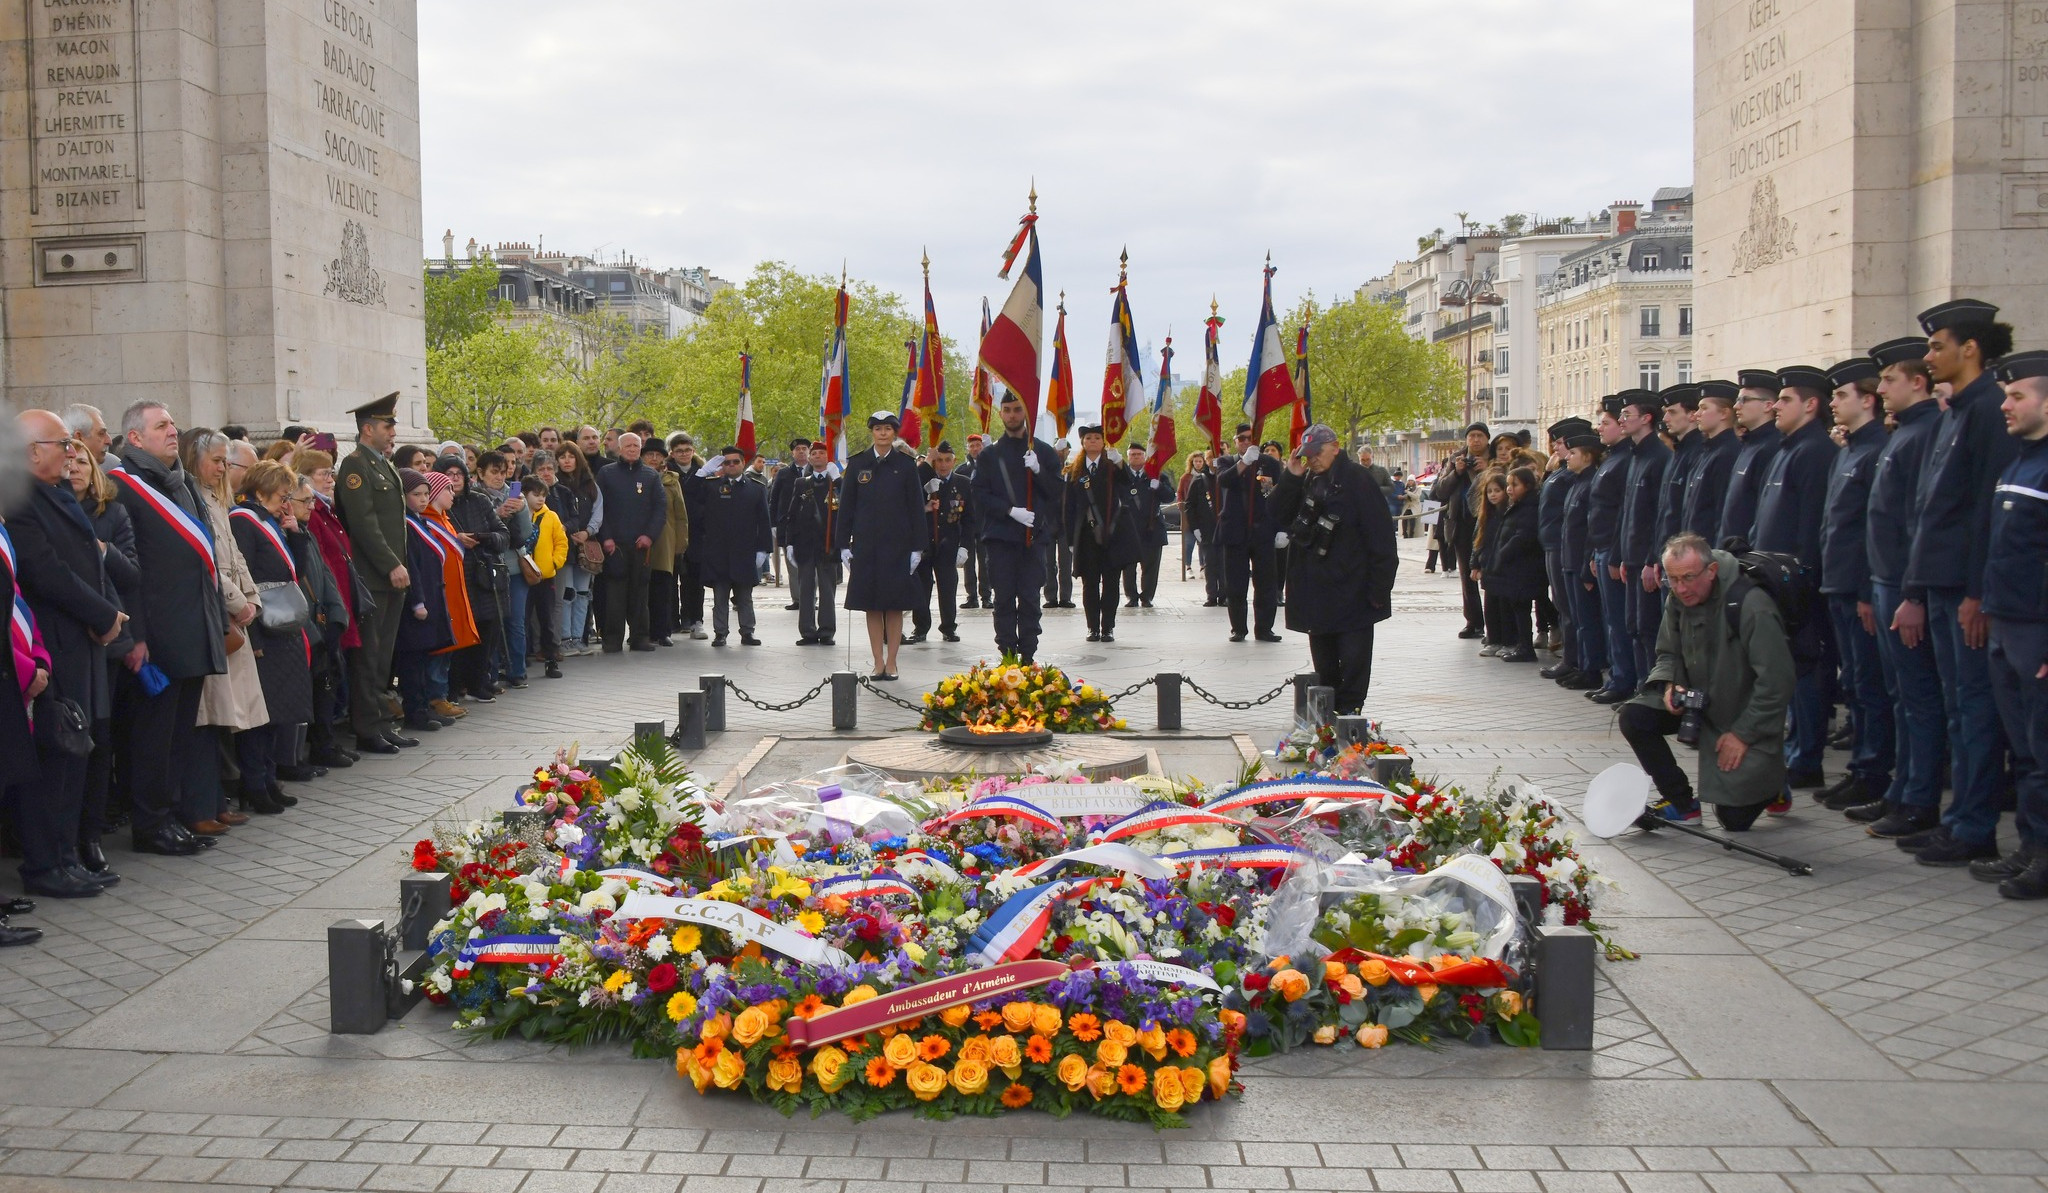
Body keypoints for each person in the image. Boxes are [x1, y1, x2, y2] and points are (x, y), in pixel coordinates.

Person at [1897, 299, 2022, 866]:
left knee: (1974, 712)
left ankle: (1974, 827)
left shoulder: (1990, 410)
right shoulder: (1957, 412)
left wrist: (1977, 593)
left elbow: (1984, 511)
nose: (1930, 356)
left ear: (1969, 349)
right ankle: (1959, 820)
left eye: (1936, 345)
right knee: (1957, 707)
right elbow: (1930, 510)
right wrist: (1917, 589)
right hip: (1941, 583)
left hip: (1965, 590)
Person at [7, 413, 125, 897]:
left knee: (78, 749)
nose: (72, 452)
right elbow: (47, 572)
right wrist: (103, 615)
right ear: (33, 450)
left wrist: (106, 615)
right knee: (56, 752)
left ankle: (67, 853)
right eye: (63, 443)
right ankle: (45, 862)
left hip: (80, 639)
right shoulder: (18, 500)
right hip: (52, 641)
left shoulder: (55, 493)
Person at [108, 401, 227, 855]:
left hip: (193, 624)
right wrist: (136, 635)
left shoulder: (180, 483)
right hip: (157, 632)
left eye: (173, 424)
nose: (173, 431)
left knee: (179, 733)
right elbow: (128, 568)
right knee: (152, 737)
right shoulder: (125, 487)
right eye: (161, 426)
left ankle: (172, 815)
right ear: (135, 438)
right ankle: (150, 823)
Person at [1620, 532, 1797, 829]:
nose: (1680, 588)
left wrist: (1743, 734)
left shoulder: (1751, 603)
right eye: (1673, 580)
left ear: (1711, 571)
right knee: (1634, 717)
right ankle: (1682, 804)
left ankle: (1774, 783)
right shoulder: (1678, 598)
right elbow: (1667, 653)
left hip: (1740, 712)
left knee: (1733, 820)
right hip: (1699, 701)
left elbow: (1777, 681)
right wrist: (1669, 686)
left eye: (1688, 578)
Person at [1853, 337, 1951, 836]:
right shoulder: (1905, 433)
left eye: (1889, 379)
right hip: (1887, 581)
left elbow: (1921, 521)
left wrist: (1912, 593)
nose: (1881, 388)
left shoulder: (1926, 431)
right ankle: (1902, 791)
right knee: (1901, 695)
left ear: (1917, 382)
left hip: (1905, 586)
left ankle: (1919, 799)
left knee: (1919, 696)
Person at [1977, 349, 2048, 897]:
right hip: (2007, 623)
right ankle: (2029, 846)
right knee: (2024, 751)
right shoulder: (2020, 461)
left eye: (2017, 395)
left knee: (2045, 753)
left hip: (2037, 631)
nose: (2006, 404)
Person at [1751, 364, 1840, 799]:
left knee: (1807, 670)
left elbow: (1811, 526)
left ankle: (1807, 757)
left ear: (1810, 405)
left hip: (1798, 584)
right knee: (1786, 671)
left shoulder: (1816, 451)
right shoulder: (1788, 449)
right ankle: (1794, 749)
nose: (1775, 405)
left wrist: (1802, 578)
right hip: (1775, 580)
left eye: (1784, 400)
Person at [1271, 424, 1398, 714]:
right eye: (1308, 454)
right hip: (1315, 589)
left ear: (1335, 447)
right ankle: (1327, 722)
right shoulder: (1306, 480)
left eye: (1318, 452)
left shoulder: (1357, 480)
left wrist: (1380, 588)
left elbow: (1380, 538)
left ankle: (1350, 717)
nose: (1313, 459)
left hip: (1353, 588)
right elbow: (1277, 514)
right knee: (1325, 665)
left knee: (1354, 661)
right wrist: (1291, 476)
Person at [1814, 357, 1894, 816]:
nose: (1834, 403)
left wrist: (1866, 589)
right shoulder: (1849, 450)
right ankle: (1863, 769)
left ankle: (1873, 771)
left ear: (1867, 400)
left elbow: (1874, 528)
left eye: (1841, 395)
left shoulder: (1876, 448)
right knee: (1859, 682)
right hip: (1839, 582)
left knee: (1869, 684)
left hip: (1860, 585)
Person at [188, 430, 273, 822]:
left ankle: (240, 791)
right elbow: (205, 560)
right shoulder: (190, 498)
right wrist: (238, 603)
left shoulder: (218, 499)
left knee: (242, 711)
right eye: (217, 460)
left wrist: (251, 597)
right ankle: (214, 800)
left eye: (226, 461)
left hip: (236, 608)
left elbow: (235, 555)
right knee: (215, 714)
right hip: (217, 613)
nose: (223, 468)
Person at [227, 460, 315, 814]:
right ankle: (255, 783)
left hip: (282, 624)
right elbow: (244, 576)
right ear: (262, 490)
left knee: (277, 710)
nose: (285, 503)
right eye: (281, 496)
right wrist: (255, 641)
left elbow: (298, 571)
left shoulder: (270, 522)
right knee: (258, 715)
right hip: (262, 625)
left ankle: (269, 777)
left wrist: (295, 534)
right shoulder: (243, 521)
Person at [69, 442, 139, 873]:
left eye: (83, 461)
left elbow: (132, 573)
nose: (74, 467)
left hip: (106, 642)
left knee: (100, 739)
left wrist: (103, 550)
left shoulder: (111, 513)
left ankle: (90, 836)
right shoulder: (43, 509)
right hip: (61, 638)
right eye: (69, 459)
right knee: (65, 742)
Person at [333, 393, 411, 757]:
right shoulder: (355, 466)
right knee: (368, 656)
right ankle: (366, 727)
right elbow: (364, 525)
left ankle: (381, 721)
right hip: (373, 576)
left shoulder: (383, 464)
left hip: (390, 577)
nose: (393, 431)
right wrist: (390, 564)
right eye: (387, 425)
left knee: (383, 656)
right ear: (367, 429)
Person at [971, 393, 1063, 663]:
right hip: (1001, 538)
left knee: (1031, 598)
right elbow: (979, 493)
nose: (1012, 415)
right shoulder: (989, 455)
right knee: (1003, 599)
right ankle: (1008, 654)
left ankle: (1028, 654)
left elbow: (1057, 491)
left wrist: (1039, 472)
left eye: (1017, 409)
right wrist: (1010, 511)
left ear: (1026, 413)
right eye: (1007, 410)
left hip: (1033, 539)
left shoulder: (1043, 452)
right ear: (1000, 413)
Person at [837, 412, 928, 678]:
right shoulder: (858, 463)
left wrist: (917, 547)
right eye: (878, 429)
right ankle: (878, 661)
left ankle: (893, 661)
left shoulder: (906, 464)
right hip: (866, 546)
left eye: (888, 429)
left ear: (895, 432)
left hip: (898, 546)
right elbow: (847, 508)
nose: (883, 433)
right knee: (872, 604)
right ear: (872, 433)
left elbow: (916, 509)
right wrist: (843, 544)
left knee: (895, 604)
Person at [433, 455, 510, 699]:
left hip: (483, 576)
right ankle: (455, 686)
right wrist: (457, 540)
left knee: (487, 631)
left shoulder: (479, 500)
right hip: (456, 577)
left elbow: (503, 535)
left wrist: (482, 537)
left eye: (459, 474)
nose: (455, 479)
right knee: (459, 634)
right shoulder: (438, 504)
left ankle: (479, 682)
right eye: (449, 474)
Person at [1062, 426, 1142, 643]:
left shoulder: (1112, 467)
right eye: (1089, 438)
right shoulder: (1074, 471)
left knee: (1111, 581)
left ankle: (1107, 627)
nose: (1093, 441)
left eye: (1098, 437)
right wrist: (1071, 540)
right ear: (1083, 442)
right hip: (1086, 535)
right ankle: (1092, 627)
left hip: (1112, 532)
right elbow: (1068, 508)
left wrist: (1119, 462)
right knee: (1089, 583)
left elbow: (1129, 483)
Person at [1615, 390, 1673, 685]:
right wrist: (1624, 556)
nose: (1621, 420)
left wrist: (1652, 560)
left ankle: (1651, 688)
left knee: (1648, 629)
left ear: (1647, 419)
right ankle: (1640, 685)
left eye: (1627, 415)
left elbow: (1657, 515)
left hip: (1648, 559)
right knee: (1634, 627)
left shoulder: (1659, 457)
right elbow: (1628, 512)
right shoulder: (1635, 456)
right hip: (1633, 557)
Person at [1583, 399, 1637, 703]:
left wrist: (1615, 552)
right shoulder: (1613, 458)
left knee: (1621, 621)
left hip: (1615, 549)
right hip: (1601, 548)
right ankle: (1617, 676)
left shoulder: (1626, 458)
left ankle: (1624, 679)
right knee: (1612, 619)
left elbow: (1622, 514)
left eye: (1606, 422)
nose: (1599, 428)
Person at [594, 432, 666, 653]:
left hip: (641, 545)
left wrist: (649, 536)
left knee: (640, 593)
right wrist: (605, 537)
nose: (633, 449)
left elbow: (660, 509)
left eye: (636, 445)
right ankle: (612, 639)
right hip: (614, 545)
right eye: (628, 446)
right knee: (614, 595)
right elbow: (599, 508)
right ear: (619, 448)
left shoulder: (651, 476)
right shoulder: (606, 474)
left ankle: (640, 638)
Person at [693, 445, 771, 647]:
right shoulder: (711, 486)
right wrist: (702, 473)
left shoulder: (756, 487)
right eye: (726, 462)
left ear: (744, 463)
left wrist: (763, 549)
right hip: (718, 552)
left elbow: (764, 521)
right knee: (720, 597)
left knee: (744, 597)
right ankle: (720, 633)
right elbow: (691, 494)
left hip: (744, 551)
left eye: (735, 461)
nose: (731, 465)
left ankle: (747, 632)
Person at [394, 470, 455, 730]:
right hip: (415, 604)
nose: (422, 499)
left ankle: (423, 707)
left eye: (426, 494)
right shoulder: (405, 525)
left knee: (422, 658)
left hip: (431, 597)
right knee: (412, 662)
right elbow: (412, 566)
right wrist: (417, 600)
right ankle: (414, 711)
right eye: (416, 494)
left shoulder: (419, 520)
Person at [1216, 423, 1285, 643]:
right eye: (1241, 439)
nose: (1246, 442)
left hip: (1263, 530)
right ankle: (1238, 628)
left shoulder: (1269, 463)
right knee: (1235, 583)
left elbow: (1280, 495)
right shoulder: (1227, 461)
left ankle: (1264, 628)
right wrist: (1244, 462)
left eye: (1249, 438)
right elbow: (1223, 481)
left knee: (1266, 583)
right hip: (1235, 531)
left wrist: (1283, 529)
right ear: (1235, 441)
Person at [1538, 419, 1592, 681]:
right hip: (1553, 542)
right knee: (1563, 605)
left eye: (1560, 444)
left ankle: (1575, 659)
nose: (1557, 449)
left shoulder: (1575, 473)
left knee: (1570, 609)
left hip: (1563, 544)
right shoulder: (1563, 470)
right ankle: (1573, 658)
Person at [1555, 432, 1608, 691]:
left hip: (1580, 561)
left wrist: (1588, 562)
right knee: (1576, 616)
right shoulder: (1576, 482)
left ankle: (1591, 668)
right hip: (1569, 559)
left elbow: (1590, 528)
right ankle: (1579, 664)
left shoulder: (1590, 483)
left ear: (1587, 456)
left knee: (1587, 619)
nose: (1568, 457)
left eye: (1573, 453)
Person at [1431, 423, 1493, 638]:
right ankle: (1473, 621)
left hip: (1489, 523)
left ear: (1487, 439)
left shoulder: (1495, 457)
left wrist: (1487, 469)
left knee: (1490, 575)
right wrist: (1456, 472)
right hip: (1462, 523)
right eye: (1471, 436)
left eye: (1479, 436)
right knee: (1467, 576)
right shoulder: (1455, 459)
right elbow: (1439, 491)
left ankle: (1495, 625)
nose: (1475, 440)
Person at [475, 451, 530, 687]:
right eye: (494, 472)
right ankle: (492, 674)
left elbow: (526, 534)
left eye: (503, 472)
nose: (499, 478)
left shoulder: (514, 494)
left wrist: (522, 510)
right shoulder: (475, 495)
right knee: (491, 623)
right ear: (481, 473)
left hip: (513, 566)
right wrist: (496, 515)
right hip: (487, 568)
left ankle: (517, 670)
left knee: (515, 621)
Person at [911, 442, 972, 644]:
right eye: (939, 460)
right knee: (921, 587)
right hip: (925, 543)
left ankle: (948, 627)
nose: (943, 465)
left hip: (949, 543)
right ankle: (920, 627)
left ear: (954, 460)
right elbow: (909, 505)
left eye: (947, 460)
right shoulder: (923, 479)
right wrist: (924, 488)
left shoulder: (963, 483)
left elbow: (970, 519)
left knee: (947, 587)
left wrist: (965, 546)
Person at [1484, 466, 1545, 662]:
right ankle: (1522, 645)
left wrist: (1503, 554)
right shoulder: (1517, 505)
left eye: (1514, 485)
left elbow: (1523, 536)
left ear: (1527, 486)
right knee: (1518, 607)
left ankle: (1525, 646)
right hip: (1514, 567)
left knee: (1521, 607)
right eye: (1508, 484)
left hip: (1524, 566)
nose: (1510, 489)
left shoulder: (1529, 507)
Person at [782, 441, 841, 646]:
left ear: (828, 457)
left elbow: (846, 507)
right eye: (814, 453)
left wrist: (838, 480)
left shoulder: (836, 482)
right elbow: (791, 515)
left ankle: (827, 631)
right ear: (809, 458)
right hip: (805, 544)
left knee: (827, 589)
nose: (817, 456)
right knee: (806, 589)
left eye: (821, 453)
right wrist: (789, 543)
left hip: (828, 544)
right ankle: (807, 631)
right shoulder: (802, 483)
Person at [1719, 370, 1784, 546]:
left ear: (1768, 405)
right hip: (1731, 552)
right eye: (1737, 400)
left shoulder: (1772, 447)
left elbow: (1762, 511)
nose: (1736, 406)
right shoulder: (1749, 443)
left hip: (1748, 555)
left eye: (1744, 400)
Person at [548, 445, 599, 655]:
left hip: (586, 546)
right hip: (564, 547)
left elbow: (599, 511)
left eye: (571, 457)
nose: (567, 461)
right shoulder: (556, 488)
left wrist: (588, 532)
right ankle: (565, 637)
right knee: (566, 593)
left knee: (582, 593)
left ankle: (579, 637)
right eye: (563, 457)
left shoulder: (590, 485)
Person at [1682, 380, 1743, 544]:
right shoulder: (1706, 451)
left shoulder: (1728, 453)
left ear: (1724, 413)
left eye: (1704, 408)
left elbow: (1721, 511)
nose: (1696, 414)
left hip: (1708, 551)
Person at [519, 476, 568, 678]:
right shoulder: (518, 515)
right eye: (535, 495)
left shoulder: (551, 517)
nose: (540, 499)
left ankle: (551, 659)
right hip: (522, 575)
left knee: (546, 619)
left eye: (543, 495)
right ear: (524, 495)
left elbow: (561, 542)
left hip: (545, 576)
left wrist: (554, 563)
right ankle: (520, 659)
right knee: (521, 619)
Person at [644, 440, 687, 647]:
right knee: (641, 589)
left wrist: (680, 543)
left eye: (657, 455)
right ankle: (642, 631)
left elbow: (681, 515)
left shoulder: (672, 481)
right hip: (640, 541)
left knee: (664, 588)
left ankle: (663, 631)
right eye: (649, 454)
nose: (654, 458)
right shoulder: (637, 477)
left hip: (665, 541)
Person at [1120, 443, 1173, 609]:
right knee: (1128, 566)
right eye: (1132, 454)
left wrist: (1159, 487)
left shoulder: (1156, 475)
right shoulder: (1122, 476)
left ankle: (1147, 596)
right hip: (1129, 528)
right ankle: (1131, 596)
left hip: (1151, 528)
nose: (1136, 457)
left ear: (1145, 457)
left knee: (1150, 566)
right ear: (1128, 457)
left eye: (1139, 454)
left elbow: (1170, 496)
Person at [769, 437, 808, 612]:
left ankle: (810, 597)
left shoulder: (816, 470)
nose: (801, 451)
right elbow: (774, 499)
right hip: (788, 525)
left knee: (809, 564)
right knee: (792, 564)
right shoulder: (784, 474)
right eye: (798, 449)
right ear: (793, 453)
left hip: (810, 524)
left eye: (804, 448)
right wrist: (774, 523)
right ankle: (798, 599)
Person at [958, 433, 987, 607]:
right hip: (967, 522)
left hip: (985, 521)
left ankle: (986, 595)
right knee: (968, 562)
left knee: (985, 561)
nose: (975, 449)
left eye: (978, 445)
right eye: (972, 446)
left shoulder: (990, 467)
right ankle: (971, 596)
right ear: (968, 448)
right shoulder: (962, 470)